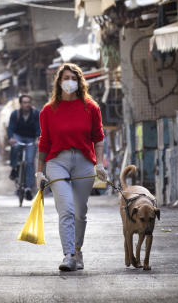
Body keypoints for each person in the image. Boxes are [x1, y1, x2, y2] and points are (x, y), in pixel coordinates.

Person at [35, 63, 108, 272]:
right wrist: (40, 171)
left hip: (84, 162)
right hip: (57, 162)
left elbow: (98, 139)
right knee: (65, 208)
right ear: (59, 82)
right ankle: (68, 255)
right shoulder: (48, 111)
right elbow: (44, 142)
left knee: (80, 212)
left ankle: (77, 249)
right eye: (65, 77)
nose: (69, 81)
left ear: (79, 82)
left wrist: (100, 164)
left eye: (73, 78)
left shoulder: (91, 108)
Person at [7, 93, 40, 201]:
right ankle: (14, 168)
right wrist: (11, 137)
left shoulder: (35, 113)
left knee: (30, 162)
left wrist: (37, 138)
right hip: (18, 136)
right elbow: (11, 128)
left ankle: (28, 188)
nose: (27, 104)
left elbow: (38, 127)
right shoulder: (15, 114)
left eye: (29, 102)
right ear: (20, 104)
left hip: (31, 138)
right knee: (15, 147)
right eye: (25, 102)